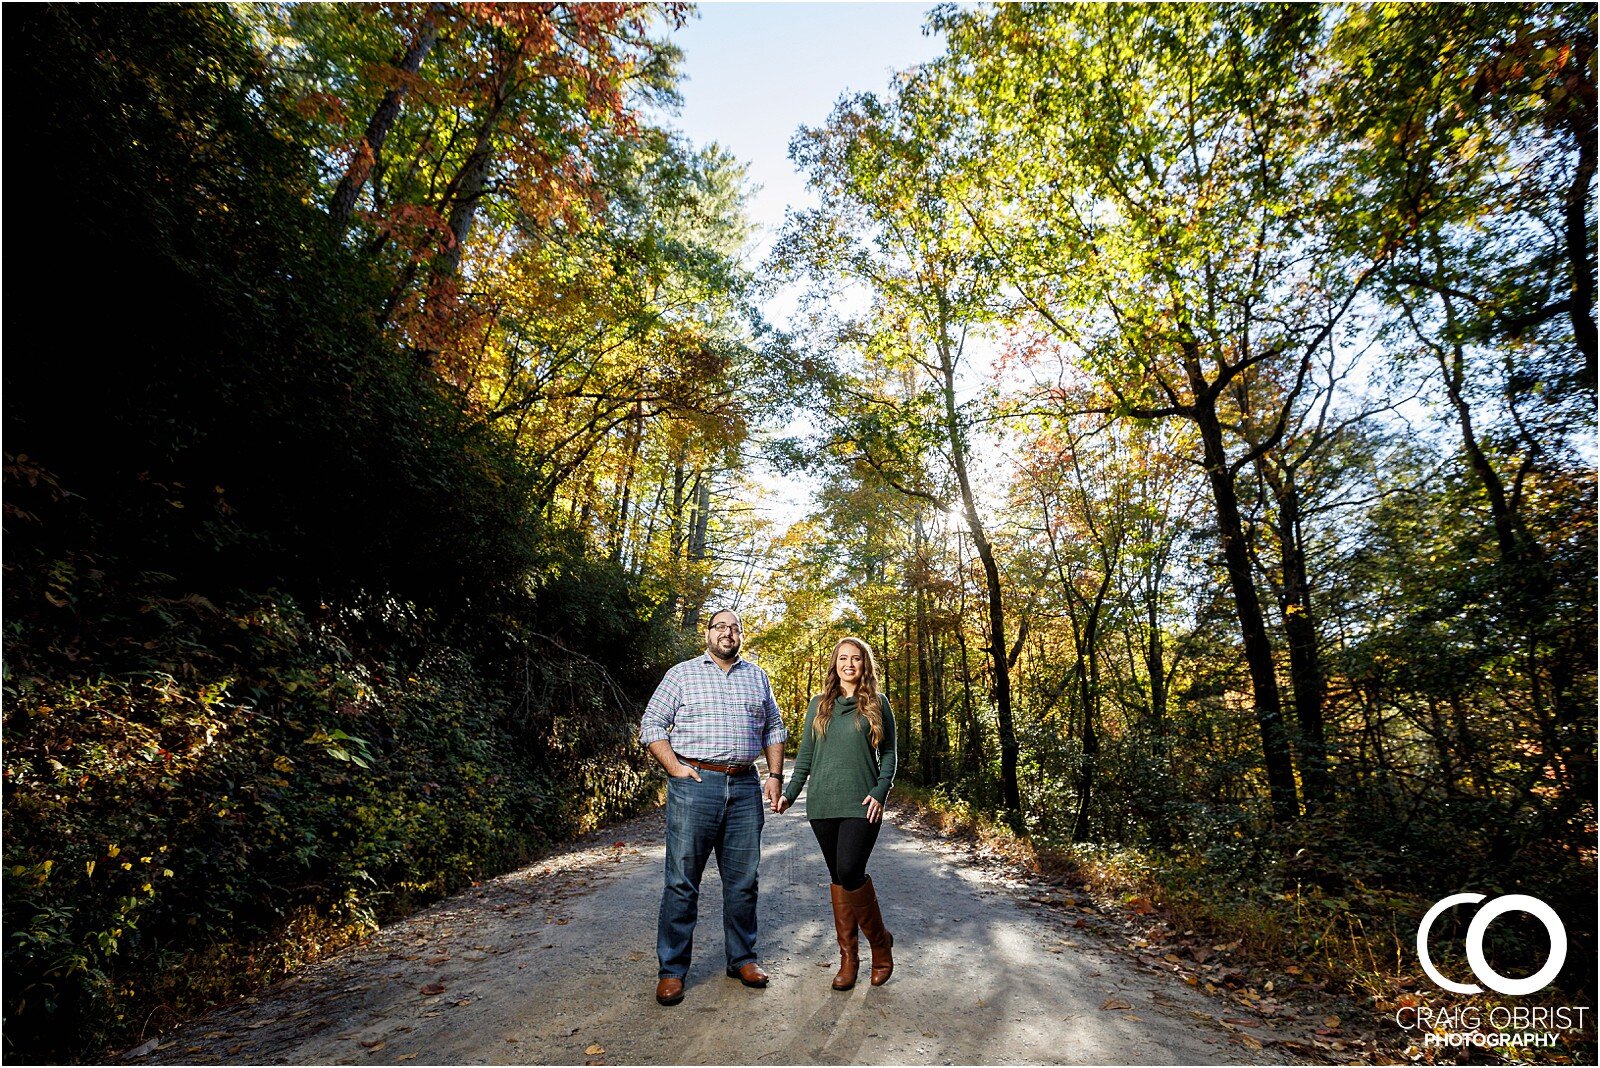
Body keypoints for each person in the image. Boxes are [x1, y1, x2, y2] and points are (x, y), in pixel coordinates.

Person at [639, 609, 787, 1007]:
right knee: (682, 882)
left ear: (741, 636)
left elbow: (774, 726)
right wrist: (675, 768)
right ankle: (671, 970)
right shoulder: (682, 674)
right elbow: (651, 723)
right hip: (695, 787)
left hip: (744, 787)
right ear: (708, 633)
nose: (728, 632)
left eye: (735, 627)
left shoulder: (757, 676)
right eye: (721, 626)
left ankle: (742, 959)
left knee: (743, 882)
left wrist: (774, 774)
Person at [777, 636, 897, 990]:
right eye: (843, 658)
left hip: (863, 803)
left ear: (865, 664)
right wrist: (789, 794)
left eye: (856, 658)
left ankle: (880, 946)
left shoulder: (878, 703)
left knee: (850, 870)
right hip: (823, 804)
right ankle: (849, 958)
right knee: (837, 876)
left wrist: (880, 790)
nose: (849, 664)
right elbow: (805, 760)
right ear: (835, 664)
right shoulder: (818, 705)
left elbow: (889, 755)